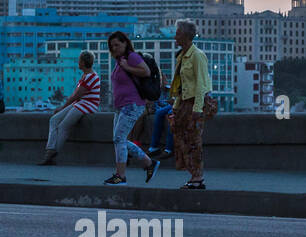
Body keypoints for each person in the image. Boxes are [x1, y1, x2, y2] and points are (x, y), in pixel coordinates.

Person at [103, 32, 159, 185]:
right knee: (119, 140)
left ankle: (121, 176)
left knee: (119, 139)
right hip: (121, 106)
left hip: (133, 104)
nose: (114, 48)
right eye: (111, 46)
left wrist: (127, 66)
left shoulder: (131, 57)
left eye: (117, 45)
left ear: (125, 43)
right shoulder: (118, 61)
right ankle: (149, 163)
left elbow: (146, 71)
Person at [169, 20, 213, 190]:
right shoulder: (182, 55)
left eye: (178, 33)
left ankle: (198, 177)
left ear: (186, 36)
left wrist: (197, 109)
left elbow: (202, 83)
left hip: (196, 103)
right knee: (183, 140)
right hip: (184, 103)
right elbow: (181, 85)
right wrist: (175, 106)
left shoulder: (197, 55)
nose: (175, 37)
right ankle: (193, 175)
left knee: (194, 141)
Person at [39, 51, 100, 165]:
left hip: (86, 105)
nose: (78, 62)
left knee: (63, 127)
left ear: (83, 62)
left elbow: (76, 95)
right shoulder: (86, 76)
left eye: (79, 60)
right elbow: (76, 96)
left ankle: (51, 155)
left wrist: (62, 108)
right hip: (80, 103)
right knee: (54, 120)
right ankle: (50, 149)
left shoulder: (91, 77)